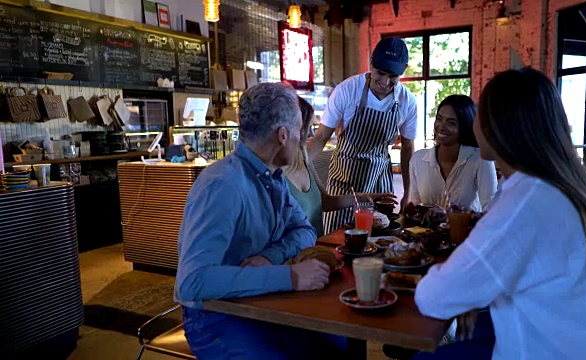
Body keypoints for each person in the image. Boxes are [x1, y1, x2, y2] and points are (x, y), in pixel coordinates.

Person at [412, 68, 586, 359]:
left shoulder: (524, 203)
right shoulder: (567, 183)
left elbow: (434, 298)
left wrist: (460, 287)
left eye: (481, 111)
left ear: (501, 127)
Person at [174, 82, 346, 360]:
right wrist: (289, 276)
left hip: (263, 303)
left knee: (339, 343)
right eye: (300, 130)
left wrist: (269, 257)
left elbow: (304, 230)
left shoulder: (271, 175)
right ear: (283, 135)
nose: (303, 138)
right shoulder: (222, 185)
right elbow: (192, 282)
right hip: (215, 319)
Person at [307, 37, 417, 234]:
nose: (384, 82)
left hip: (379, 180)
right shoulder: (348, 90)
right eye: (380, 73)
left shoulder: (407, 101)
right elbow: (321, 137)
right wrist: (299, 165)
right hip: (344, 180)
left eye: (392, 76)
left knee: (380, 236)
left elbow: (408, 148)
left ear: (403, 70)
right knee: (338, 238)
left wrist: (408, 193)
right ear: (371, 64)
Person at [283, 97, 395, 236]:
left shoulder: (304, 158)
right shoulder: (274, 174)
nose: (311, 134)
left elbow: (326, 201)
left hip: (316, 250)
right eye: (308, 128)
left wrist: (366, 197)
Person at [407, 95, 497, 212]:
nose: (441, 127)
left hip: (466, 230)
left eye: (451, 123)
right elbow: (415, 207)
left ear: (465, 127)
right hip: (426, 230)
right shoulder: (418, 159)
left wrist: (453, 216)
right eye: (439, 119)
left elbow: (491, 210)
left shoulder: (480, 160)